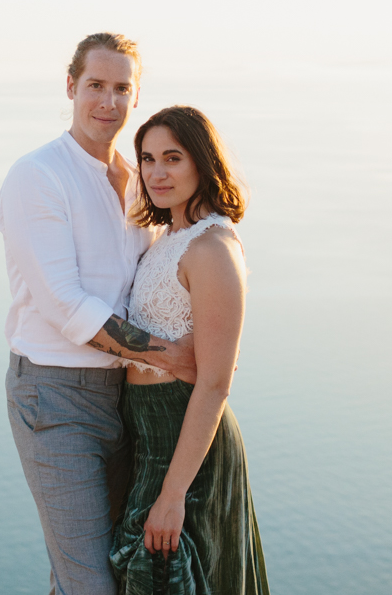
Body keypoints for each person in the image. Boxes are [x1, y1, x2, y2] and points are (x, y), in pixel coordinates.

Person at [0, 33, 197, 595]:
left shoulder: (141, 183)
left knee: (119, 571)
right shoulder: (38, 176)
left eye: (121, 88)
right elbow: (65, 305)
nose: (108, 101)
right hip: (56, 398)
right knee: (89, 583)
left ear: (136, 97)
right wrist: (173, 357)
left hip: (130, 400)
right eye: (95, 86)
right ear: (70, 87)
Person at [110, 105, 269, 594]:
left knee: (176, 575)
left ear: (201, 162)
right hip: (148, 431)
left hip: (187, 435)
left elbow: (217, 382)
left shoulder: (213, 249)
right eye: (148, 159)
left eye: (173, 158)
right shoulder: (166, 239)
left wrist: (173, 494)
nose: (157, 172)